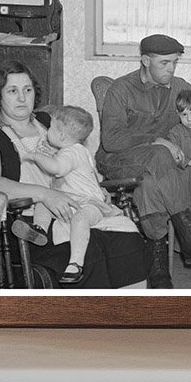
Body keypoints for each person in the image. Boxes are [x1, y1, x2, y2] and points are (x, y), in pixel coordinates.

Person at [0, 61, 145, 289]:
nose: (22, 97)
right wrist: (46, 195)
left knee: (126, 238)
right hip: (27, 222)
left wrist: (93, 187)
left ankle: (129, 311)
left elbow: (76, 160)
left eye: (27, 90)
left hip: (71, 206)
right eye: (12, 91)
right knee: (90, 247)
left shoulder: (48, 123)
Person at [97, 33, 191, 288]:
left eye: (174, 63)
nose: (171, 69)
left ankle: (158, 268)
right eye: (164, 63)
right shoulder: (121, 89)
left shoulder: (177, 86)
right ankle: (190, 237)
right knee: (160, 154)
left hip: (154, 169)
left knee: (150, 183)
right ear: (146, 60)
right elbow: (111, 140)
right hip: (117, 161)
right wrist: (159, 140)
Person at [20, 105, 129, 285]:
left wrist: (34, 156)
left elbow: (57, 168)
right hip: (73, 201)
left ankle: (75, 264)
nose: (47, 131)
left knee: (80, 220)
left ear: (62, 135)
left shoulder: (72, 152)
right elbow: (90, 174)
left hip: (90, 205)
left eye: (51, 128)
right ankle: (39, 230)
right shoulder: (77, 151)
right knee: (43, 203)